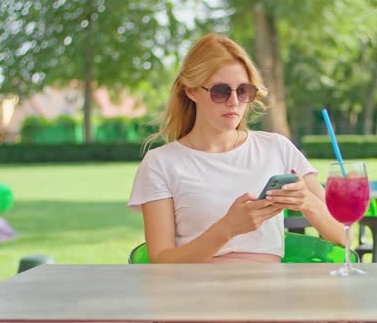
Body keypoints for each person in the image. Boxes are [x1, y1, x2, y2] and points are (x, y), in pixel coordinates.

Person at [127, 33, 345, 263]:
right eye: (220, 92)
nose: (234, 102)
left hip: (269, 293)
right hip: (196, 294)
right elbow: (161, 263)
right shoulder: (160, 163)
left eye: (243, 91)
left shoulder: (277, 148)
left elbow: (343, 234)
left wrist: (306, 202)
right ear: (191, 91)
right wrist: (228, 229)